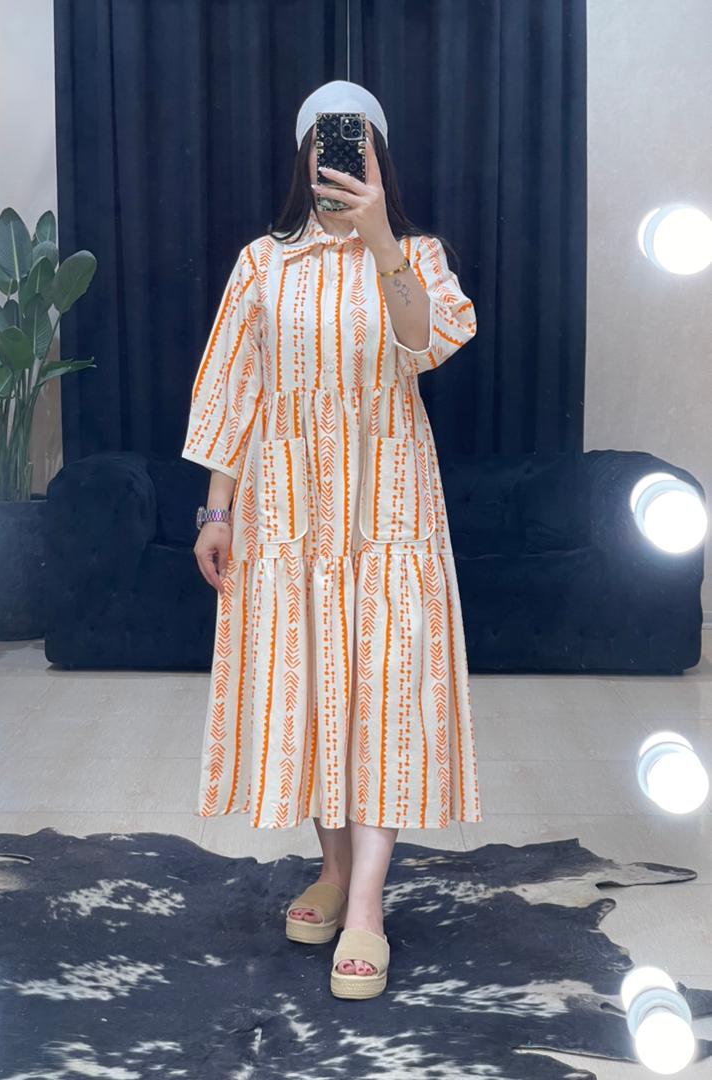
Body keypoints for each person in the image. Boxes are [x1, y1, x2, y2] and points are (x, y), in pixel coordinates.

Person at [182, 80, 481, 999]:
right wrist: (218, 511)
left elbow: (425, 342)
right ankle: (333, 867)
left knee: (384, 693)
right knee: (309, 689)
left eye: (351, 144)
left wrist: (382, 236)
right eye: (322, 142)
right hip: (287, 513)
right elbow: (232, 388)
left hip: (389, 512)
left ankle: (367, 907)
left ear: (378, 158)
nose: (335, 157)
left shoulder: (417, 256)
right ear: (303, 158)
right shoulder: (261, 263)